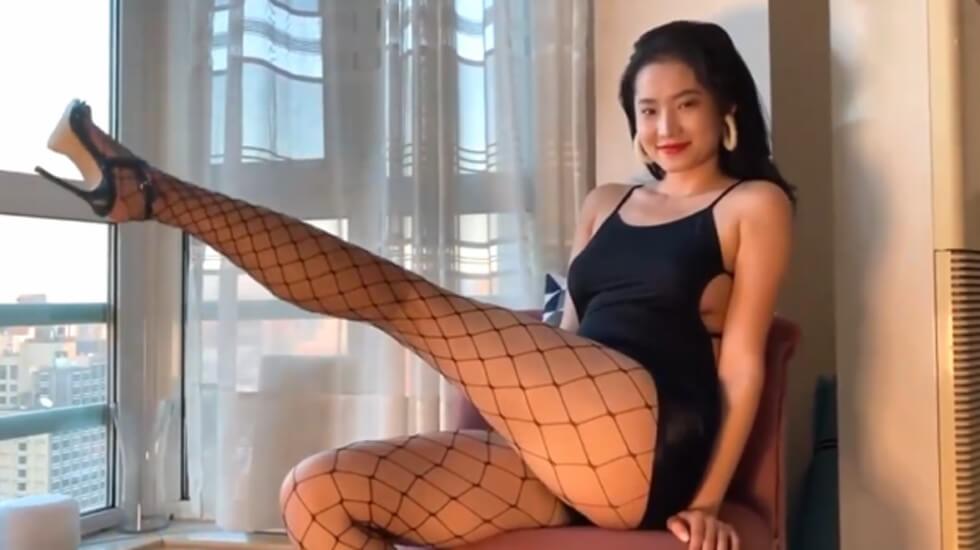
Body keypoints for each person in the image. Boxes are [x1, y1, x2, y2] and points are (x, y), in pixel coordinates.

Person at [36, 19, 793, 550]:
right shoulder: (606, 202)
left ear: (726, 107)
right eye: (648, 109)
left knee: (404, 301)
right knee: (316, 495)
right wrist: (528, 406)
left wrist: (707, 502)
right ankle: (146, 192)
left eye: (686, 105)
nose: (665, 127)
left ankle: (155, 194)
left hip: (650, 442)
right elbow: (568, 335)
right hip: (563, 440)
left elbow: (742, 364)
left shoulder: (751, 205)